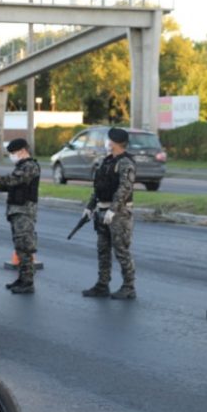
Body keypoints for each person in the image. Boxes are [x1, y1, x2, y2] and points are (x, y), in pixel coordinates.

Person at [80, 127, 137, 300]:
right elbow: (99, 187)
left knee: (121, 250)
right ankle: (102, 285)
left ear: (116, 143)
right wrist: (90, 206)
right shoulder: (107, 161)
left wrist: (113, 209)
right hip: (102, 211)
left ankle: (129, 287)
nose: (107, 142)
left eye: (109, 140)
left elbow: (124, 188)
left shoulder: (126, 163)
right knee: (103, 250)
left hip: (119, 213)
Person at [0, 138, 40, 294]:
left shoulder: (30, 166)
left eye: (13, 153)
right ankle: (22, 278)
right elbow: (9, 185)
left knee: (25, 247)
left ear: (23, 151)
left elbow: (13, 180)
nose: (12, 156)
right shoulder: (21, 166)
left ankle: (28, 282)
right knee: (19, 246)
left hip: (24, 212)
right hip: (16, 212)